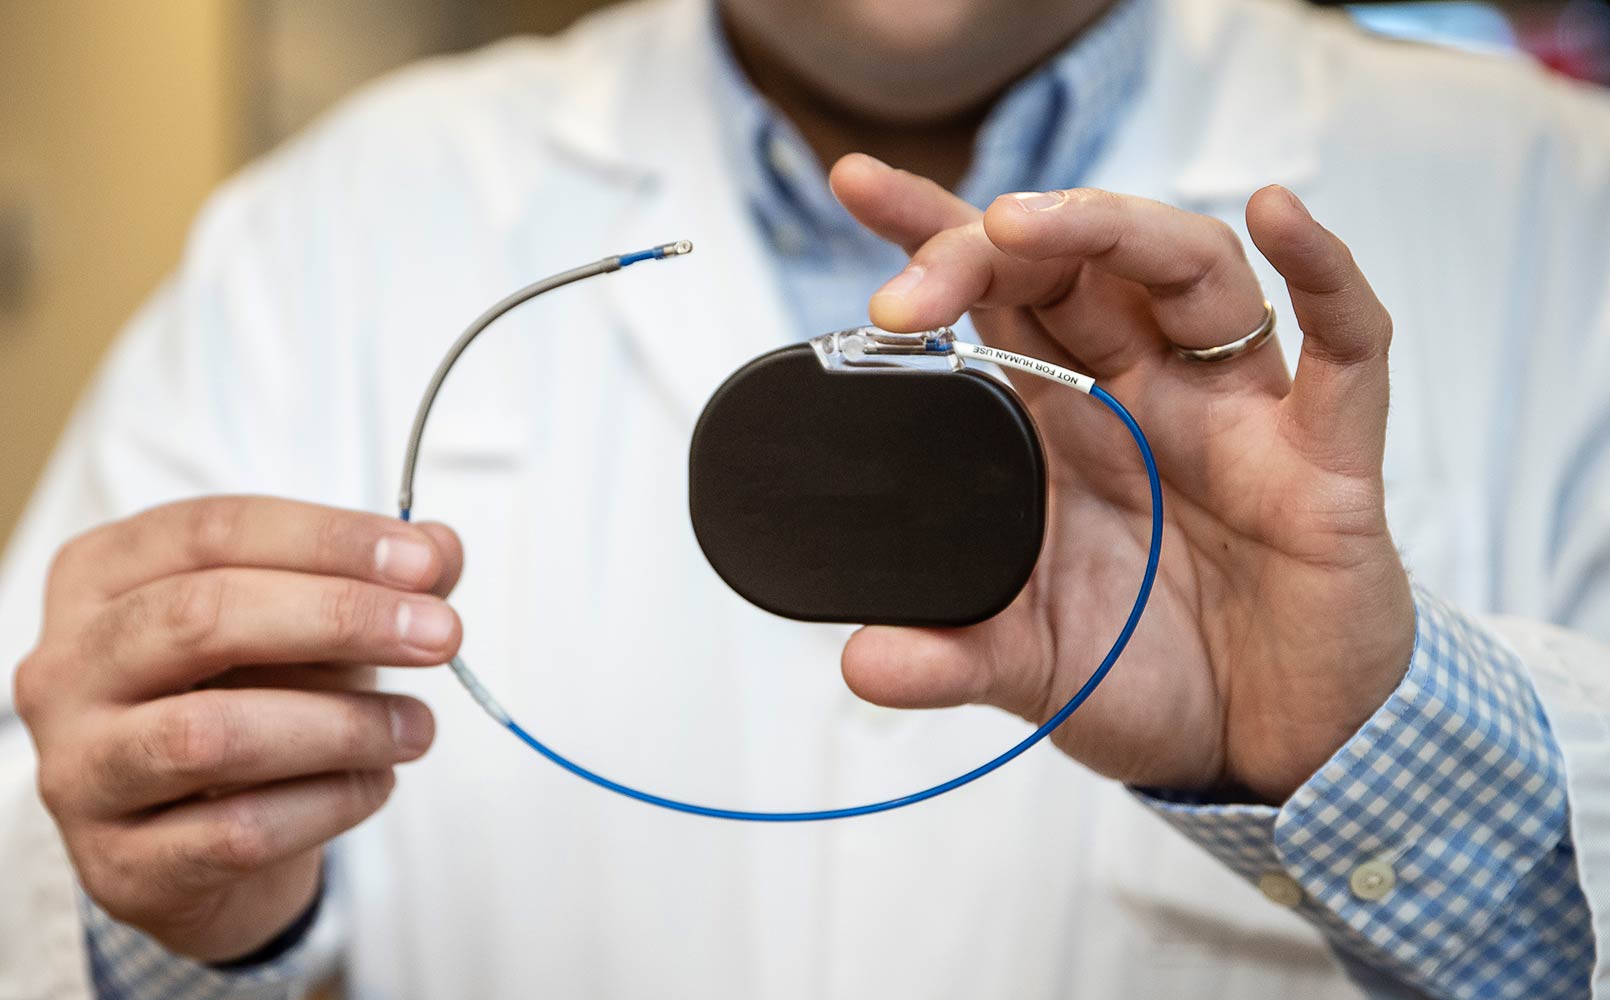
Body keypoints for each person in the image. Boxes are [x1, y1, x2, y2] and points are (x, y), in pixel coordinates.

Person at [2, 0, 1608, 995]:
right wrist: (169, 915)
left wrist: (1388, 764)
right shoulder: (321, 237)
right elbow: (43, 841)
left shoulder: (1558, 204)